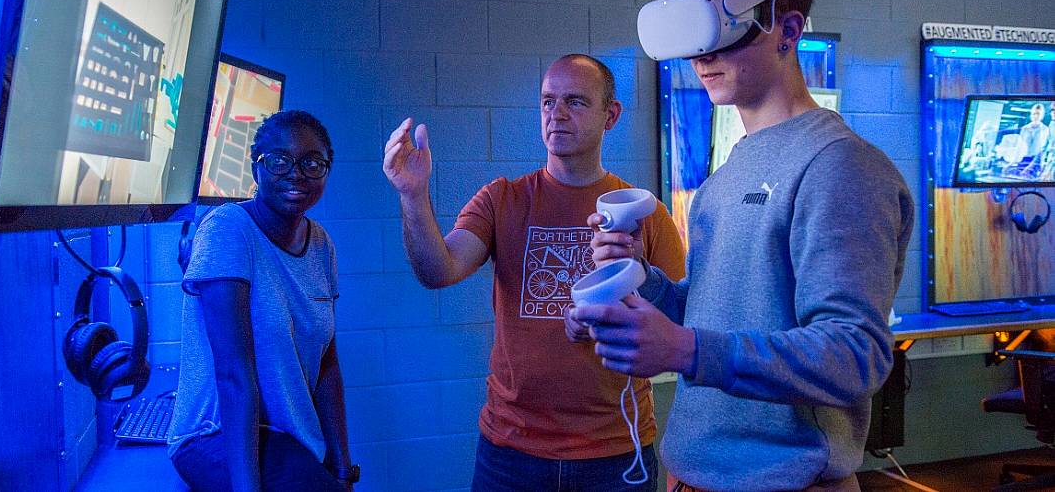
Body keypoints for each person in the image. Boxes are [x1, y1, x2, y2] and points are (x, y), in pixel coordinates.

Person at [574, 0, 915, 492]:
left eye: (725, 35)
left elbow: (856, 355)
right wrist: (646, 280)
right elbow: (718, 316)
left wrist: (687, 350)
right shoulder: (724, 178)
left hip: (785, 481)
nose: (703, 58)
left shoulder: (840, 166)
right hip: (690, 474)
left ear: (789, 31)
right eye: (696, 41)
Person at [383, 54, 686, 491]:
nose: (557, 114)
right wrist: (412, 195)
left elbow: (678, 324)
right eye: (548, 102)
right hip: (512, 452)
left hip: (614, 451)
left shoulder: (644, 213)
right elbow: (438, 270)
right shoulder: (502, 199)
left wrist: (612, 321)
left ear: (611, 115)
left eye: (576, 102)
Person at [168, 110, 356, 492]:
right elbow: (233, 376)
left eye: (312, 163)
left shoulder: (321, 244)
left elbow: (327, 366)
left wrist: (342, 470)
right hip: (216, 436)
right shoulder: (227, 230)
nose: (296, 173)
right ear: (256, 169)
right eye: (279, 161)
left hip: (290, 441)